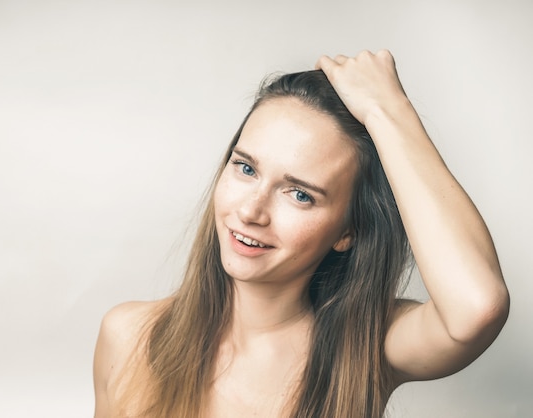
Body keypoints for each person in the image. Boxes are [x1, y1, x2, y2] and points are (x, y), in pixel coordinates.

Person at [92, 50, 510, 418]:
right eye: (246, 168)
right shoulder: (126, 335)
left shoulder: (366, 346)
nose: (251, 211)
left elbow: (477, 308)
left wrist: (389, 110)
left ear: (347, 231)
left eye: (299, 195)